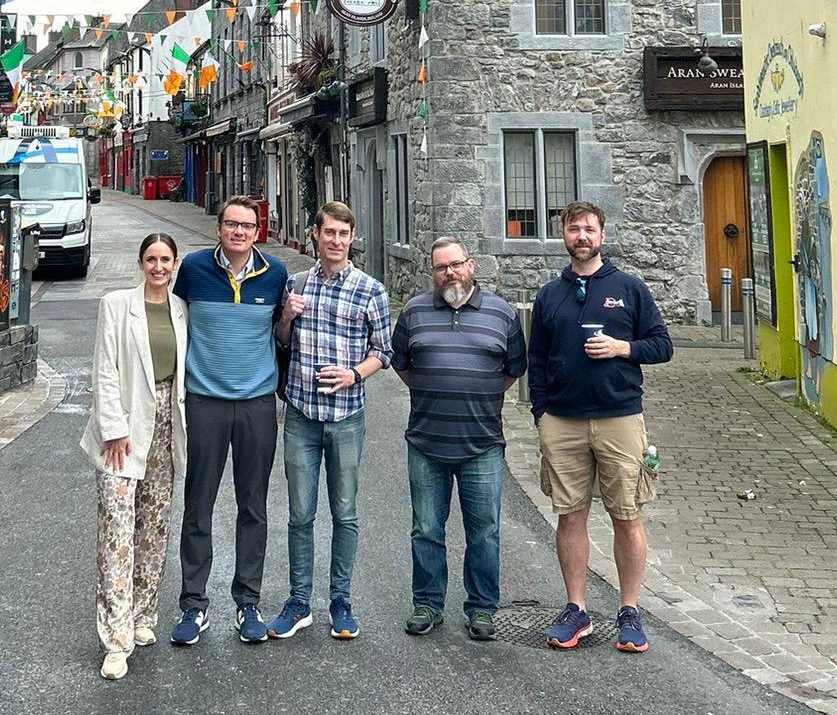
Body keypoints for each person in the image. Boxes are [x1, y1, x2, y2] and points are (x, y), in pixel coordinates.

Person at [527, 199, 673, 656]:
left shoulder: (629, 288)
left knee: (626, 515)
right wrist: (541, 415)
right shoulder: (550, 296)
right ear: (564, 236)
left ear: (602, 236)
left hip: (619, 418)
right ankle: (577, 608)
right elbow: (536, 361)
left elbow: (662, 345)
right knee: (570, 515)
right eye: (574, 229)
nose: (582, 236)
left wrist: (622, 348)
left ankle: (629, 610)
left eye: (589, 229)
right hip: (563, 422)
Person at [390, 237, 527, 642]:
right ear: (432, 272)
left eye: (455, 265)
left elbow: (513, 369)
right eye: (440, 267)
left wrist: (476, 395)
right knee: (426, 530)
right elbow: (402, 365)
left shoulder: (502, 313)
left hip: (482, 444)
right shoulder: (413, 312)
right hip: (426, 442)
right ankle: (427, 604)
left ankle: (481, 607)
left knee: (484, 532)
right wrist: (436, 390)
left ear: (471, 266)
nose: (449, 273)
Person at [267, 201, 391, 642]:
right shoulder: (296, 284)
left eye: (343, 234)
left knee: (345, 513)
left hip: (346, 418)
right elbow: (281, 341)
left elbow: (384, 351)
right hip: (301, 415)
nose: (336, 241)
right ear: (315, 235)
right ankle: (299, 601)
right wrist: (286, 316)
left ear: (352, 238)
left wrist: (354, 373)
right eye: (329, 233)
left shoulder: (371, 290)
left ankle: (341, 601)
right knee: (300, 514)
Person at [171, 195, 290, 646]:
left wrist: (288, 318)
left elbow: (280, 333)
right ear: (218, 228)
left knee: (253, 506)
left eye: (247, 225)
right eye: (231, 224)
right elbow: (175, 323)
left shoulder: (276, 273)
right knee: (198, 503)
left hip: (257, 403)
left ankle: (248, 603)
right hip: (205, 401)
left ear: (258, 232)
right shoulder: (193, 270)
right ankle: (193, 605)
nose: (239, 232)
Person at [79, 232, 189, 681]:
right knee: (118, 531)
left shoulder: (181, 309)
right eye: (151, 259)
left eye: (165, 259)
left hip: (166, 424)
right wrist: (114, 428)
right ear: (140, 263)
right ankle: (115, 638)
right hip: (124, 427)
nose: (158, 267)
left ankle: (144, 613)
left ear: (175, 264)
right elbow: (104, 369)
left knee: (155, 525)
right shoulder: (116, 304)